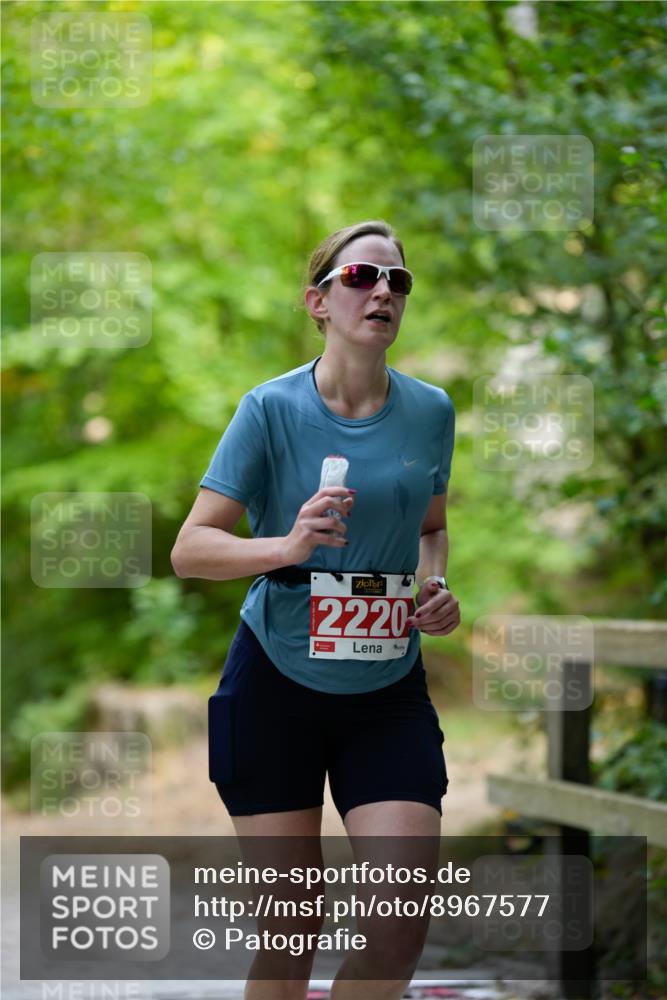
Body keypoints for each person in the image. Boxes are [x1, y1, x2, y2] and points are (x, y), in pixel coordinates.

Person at [171, 220, 460, 1000]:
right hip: (274, 683)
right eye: (363, 276)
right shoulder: (268, 409)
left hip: (385, 689)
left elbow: (431, 528)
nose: (382, 293)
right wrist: (286, 545)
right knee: (291, 933)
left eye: (397, 282)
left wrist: (433, 588)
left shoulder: (431, 411)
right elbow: (190, 550)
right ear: (319, 300)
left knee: (398, 930)